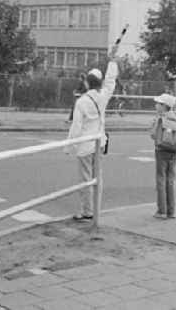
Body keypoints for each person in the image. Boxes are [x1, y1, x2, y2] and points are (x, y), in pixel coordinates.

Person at [66, 44, 119, 221]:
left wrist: (70, 145)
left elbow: (76, 127)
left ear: (87, 82)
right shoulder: (103, 96)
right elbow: (111, 81)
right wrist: (112, 61)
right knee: (98, 177)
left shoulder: (81, 102)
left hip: (84, 145)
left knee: (85, 179)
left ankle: (86, 210)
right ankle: (95, 209)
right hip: (99, 143)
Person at [149, 92, 176, 219]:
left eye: (158, 103)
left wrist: (153, 125)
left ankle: (162, 210)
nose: (156, 105)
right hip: (173, 151)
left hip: (161, 150)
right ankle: (171, 211)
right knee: (170, 180)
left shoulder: (160, 118)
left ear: (164, 106)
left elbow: (153, 135)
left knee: (161, 179)